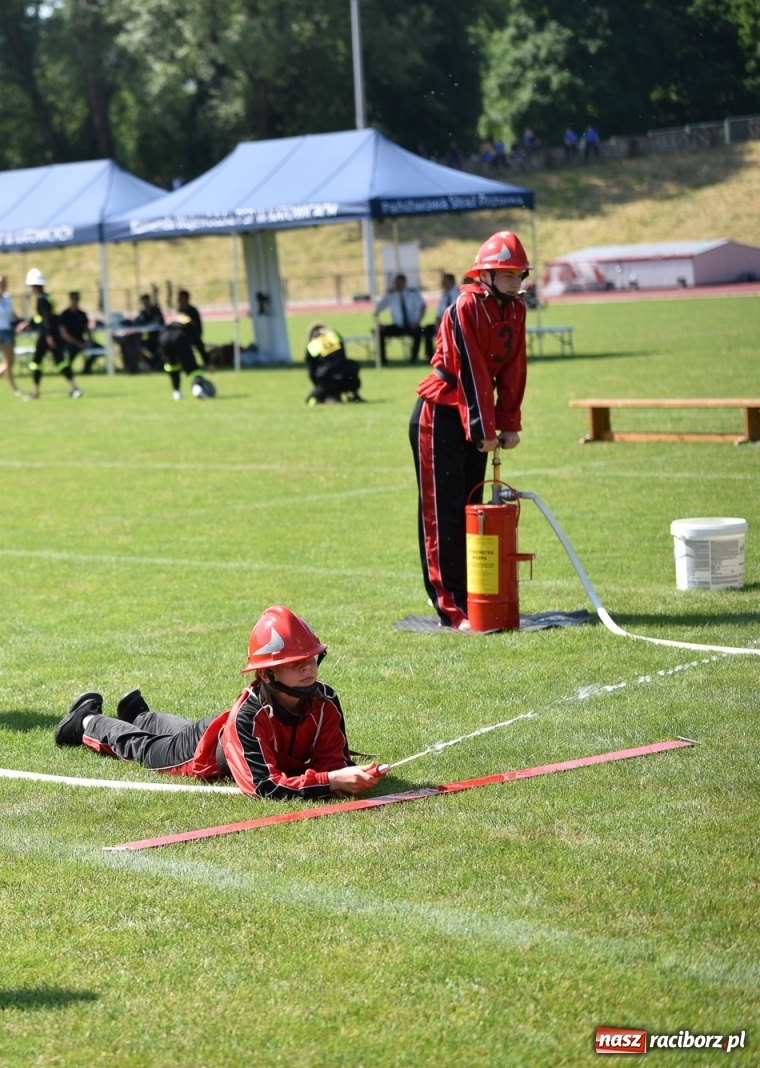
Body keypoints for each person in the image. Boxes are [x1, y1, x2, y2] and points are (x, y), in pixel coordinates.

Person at [52, 606, 387, 799]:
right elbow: (264, 786)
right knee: (144, 749)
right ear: (266, 674)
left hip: (217, 729)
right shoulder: (249, 716)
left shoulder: (325, 700)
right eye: (292, 663)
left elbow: (333, 763)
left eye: (312, 658)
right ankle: (86, 722)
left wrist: (348, 775)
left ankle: (140, 714)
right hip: (205, 756)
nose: (307, 668)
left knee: (181, 729)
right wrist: (330, 782)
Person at [410, 231, 530, 630]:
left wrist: (508, 422)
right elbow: (471, 371)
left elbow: (514, 369)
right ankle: (450, 605)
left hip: (475, 418)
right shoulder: (465, 306)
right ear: (486, 275)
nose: (516, 282)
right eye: (508, 274)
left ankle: (475, 595)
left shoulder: (516, 310)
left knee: (469, 508)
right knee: (442, 514)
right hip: (441, 413)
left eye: (519, 275)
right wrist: (485, 427)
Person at [23, 268, 80, 400]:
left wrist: (48, 336)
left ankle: (35, 392)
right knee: (60, 362)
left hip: (46, 335)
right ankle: (74, 388)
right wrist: (29, 324)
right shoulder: (47, 297)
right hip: (52, 333)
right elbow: (42, 317)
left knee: (36, 362)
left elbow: (46, 319)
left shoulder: (41, 299)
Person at [156, 289, 210, 399]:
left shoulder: (184, 314)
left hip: (164, 336)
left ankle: (177, 393)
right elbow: (198, 341)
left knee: (172, 366)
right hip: (178, 338)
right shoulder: (190, 324)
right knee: (193, 368)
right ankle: (197, 390)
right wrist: (207, 361)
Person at [304, 323, 363, 404]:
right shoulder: (334, 335)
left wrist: (317, 386)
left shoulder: (311, 345)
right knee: (351, 366)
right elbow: (343, 355)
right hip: (346, 376)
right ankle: (354, 395)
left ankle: (331, 396)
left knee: (314, 396)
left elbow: (311, 371)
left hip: (326, 378)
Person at [375, 273, 427, 364]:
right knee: (380, 332)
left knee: (419, 332)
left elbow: (422, 306)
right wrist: (379, 323)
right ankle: (383, 360)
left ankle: (413, 359)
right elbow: (377, 309)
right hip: (398, 326)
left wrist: (417, 322)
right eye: (396, 283)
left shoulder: (413, 293)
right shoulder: (391, 295)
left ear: (404, 283)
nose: (397, 285)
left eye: (399, 283)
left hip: (412, 325)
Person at [58, 291, 96, 373]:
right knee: (73, 350)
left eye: (77, 299)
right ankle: (68, 369)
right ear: (70, 300)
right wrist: (78, 343)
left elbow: (87, 329)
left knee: (98, 348)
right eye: (74, 299)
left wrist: (91, 340)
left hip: (81, 340)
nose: (75, 301)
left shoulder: (82, 314)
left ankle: (87, 368)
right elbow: (64, 334)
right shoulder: (65, 315)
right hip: (69, 342)